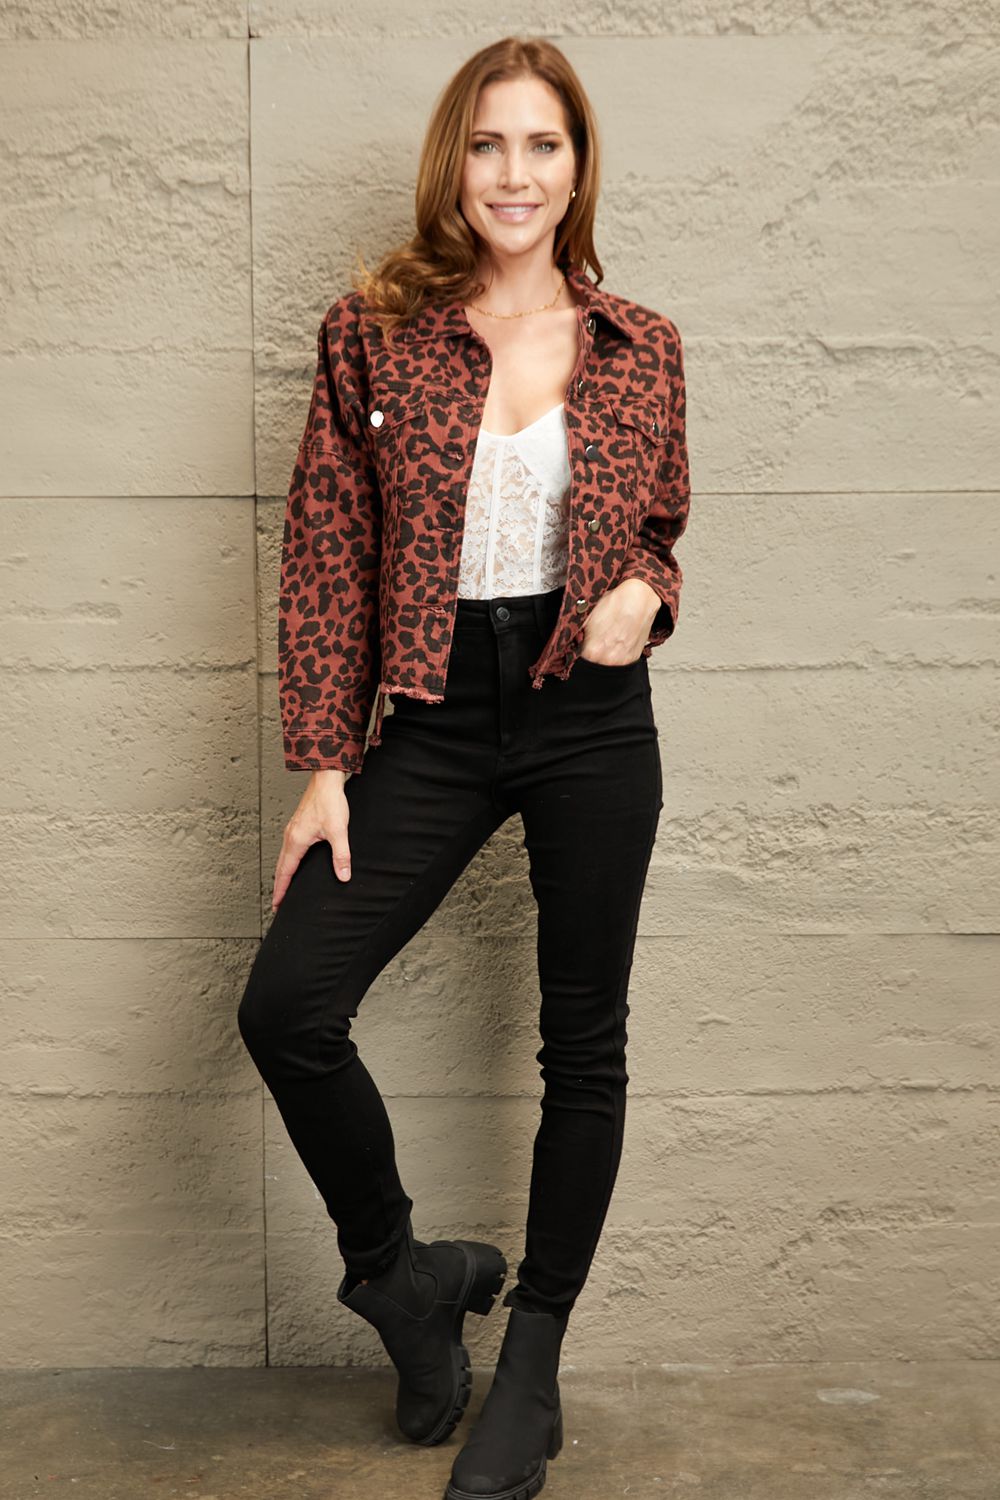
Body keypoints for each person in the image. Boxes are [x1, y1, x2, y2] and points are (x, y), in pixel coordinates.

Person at [237, 34, 690, 1500]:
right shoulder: (371, 333)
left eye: (542, 145)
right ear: (455, 163)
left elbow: (659, 531)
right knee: (288, 1005)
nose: (515, 173)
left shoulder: (642, 344)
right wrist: (324, 762)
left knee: (584, 1046)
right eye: (489, 144)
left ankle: (532, 1366)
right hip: (429, 717)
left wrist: (648, 596)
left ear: (578, 167)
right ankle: (404, 1277)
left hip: (588, 718)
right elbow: (329, 546)